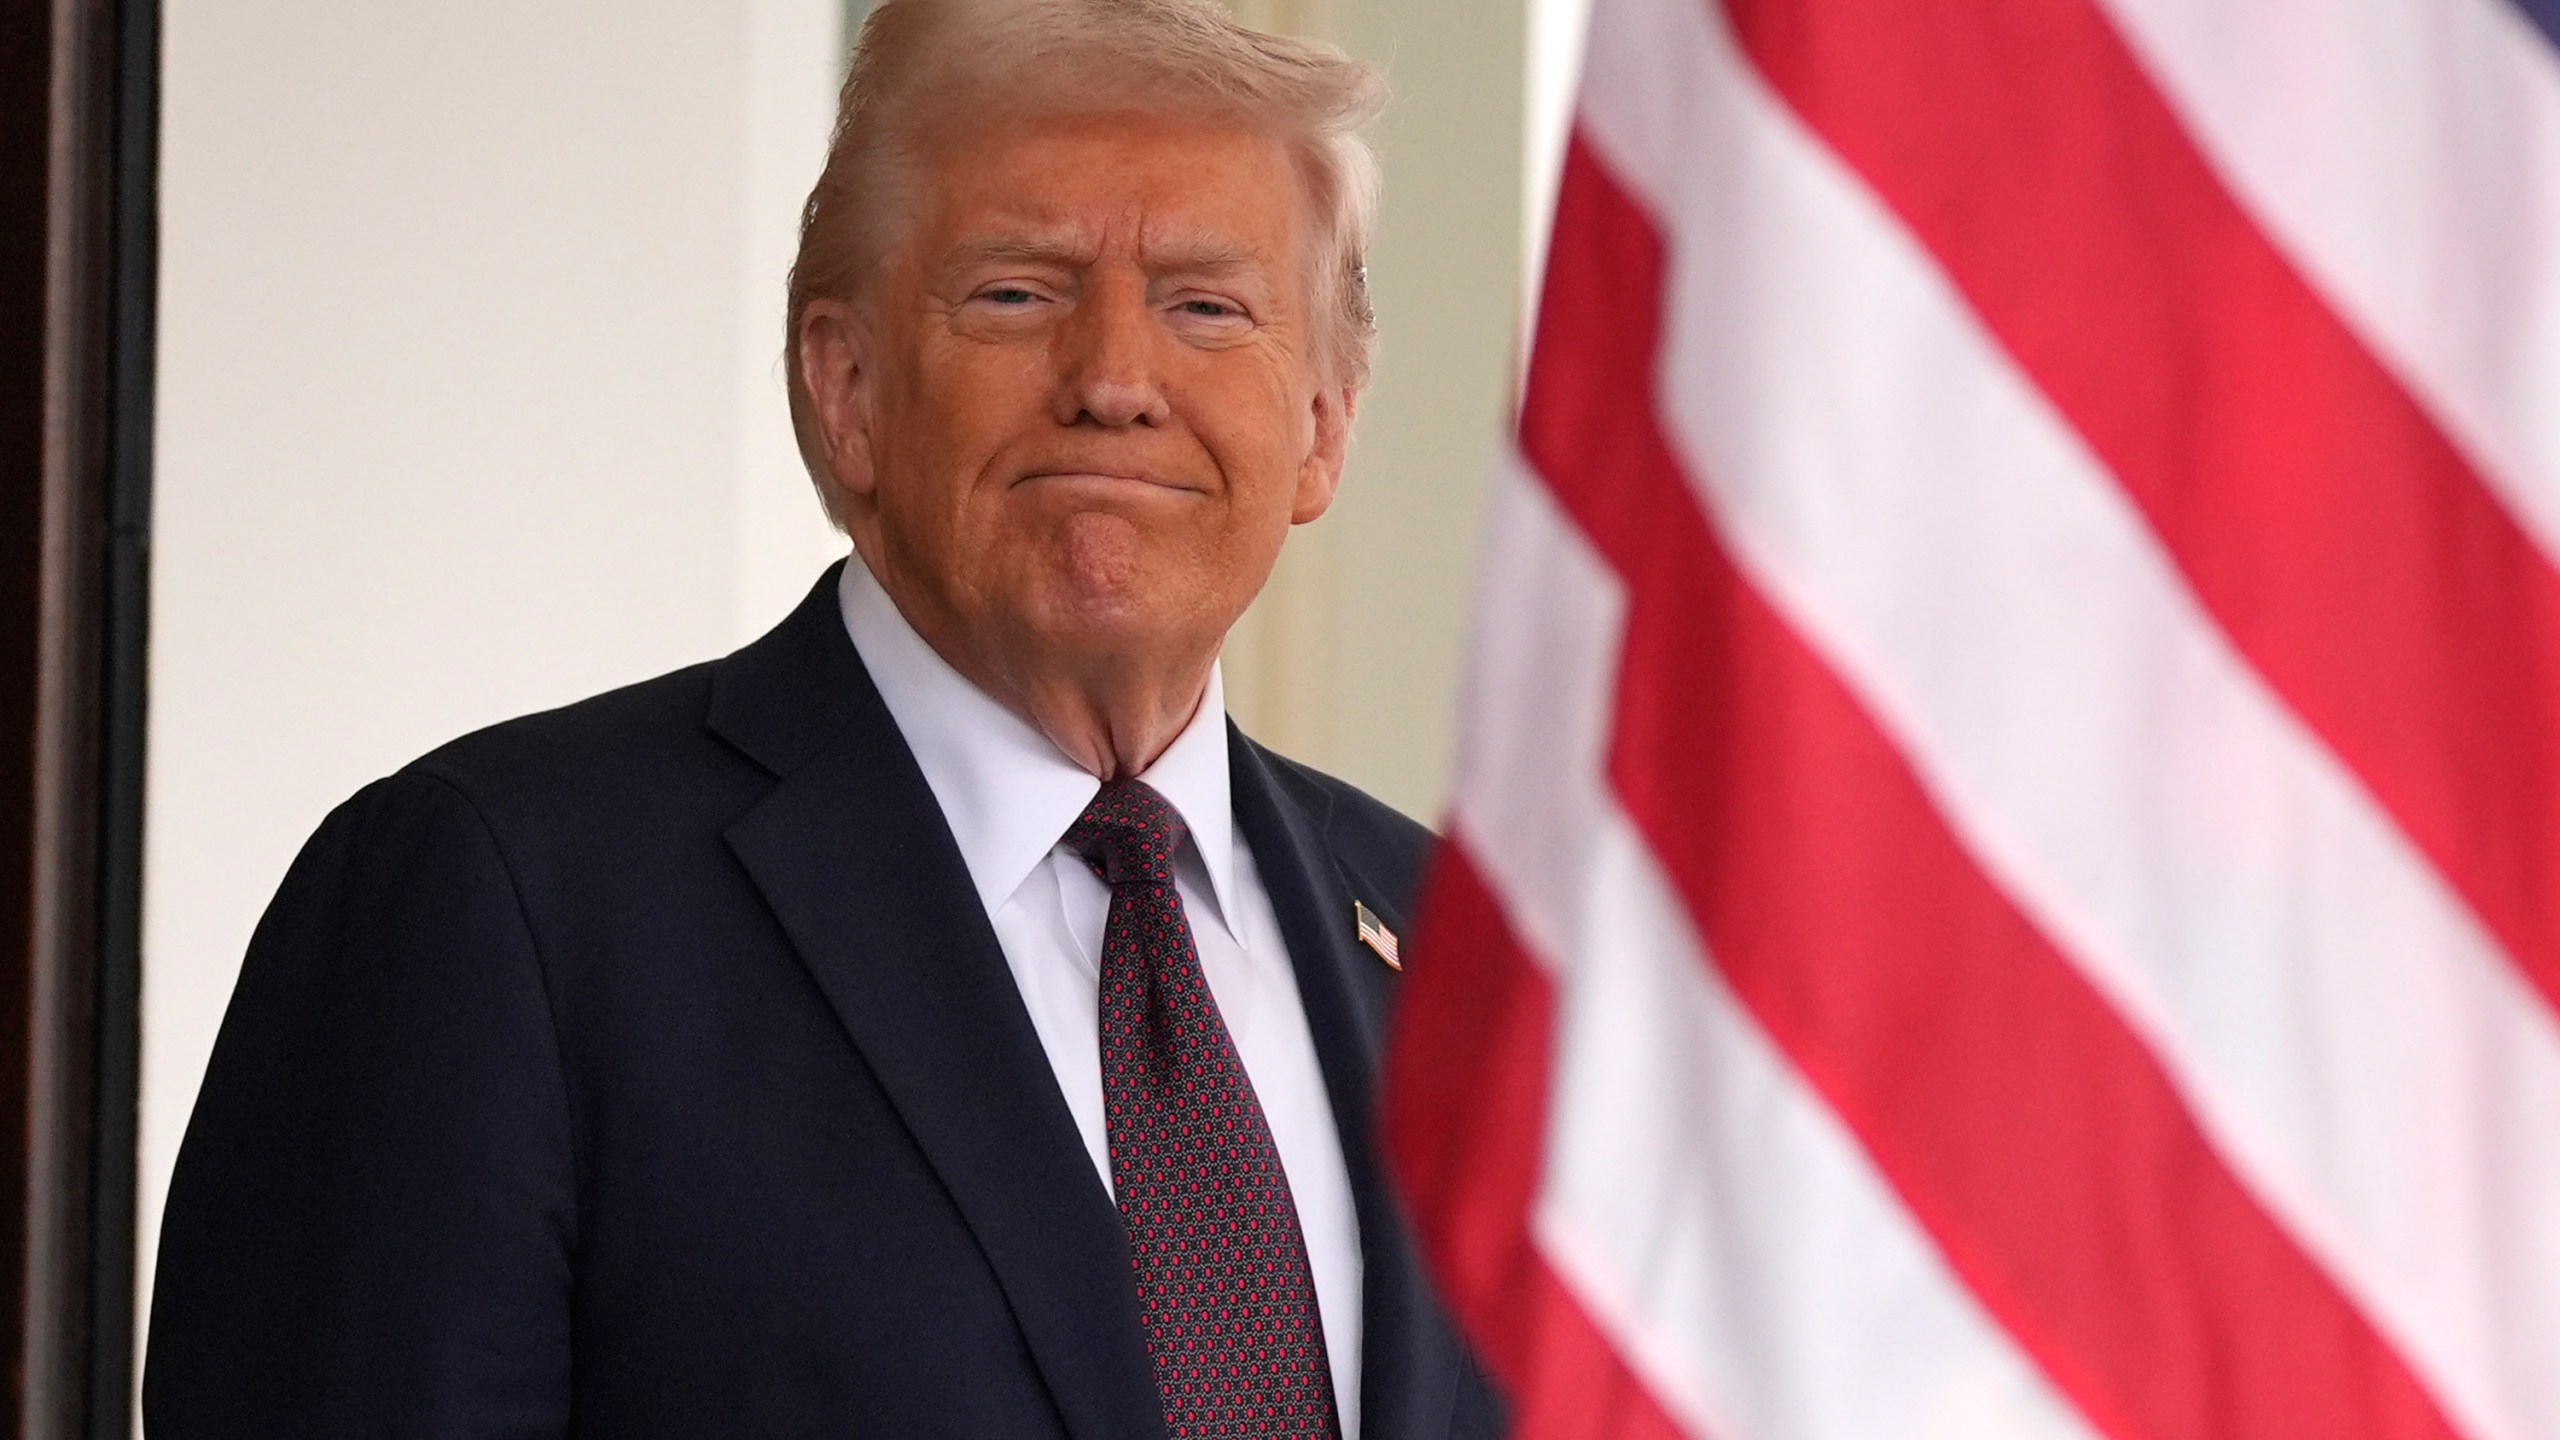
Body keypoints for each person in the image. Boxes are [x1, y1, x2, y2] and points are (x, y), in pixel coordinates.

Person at [142, 0, 1508, 1436]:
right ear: (845, 387)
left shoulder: (1452, 949)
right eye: (1017, 292)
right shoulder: (499, 903)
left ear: (1324, 424)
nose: (1114, 380)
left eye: (1207, 306)